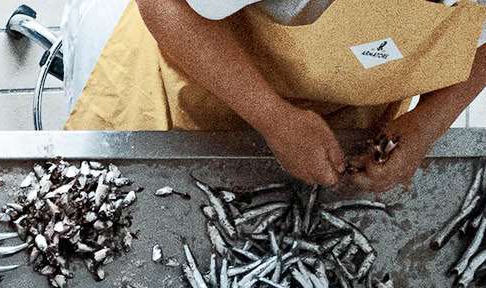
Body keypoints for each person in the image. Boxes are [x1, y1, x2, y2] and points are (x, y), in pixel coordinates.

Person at [61, 0, 486, 190]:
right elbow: (165, 5)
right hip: (199, 81)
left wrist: (427, 123)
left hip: (353, 97)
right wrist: (274, 117)